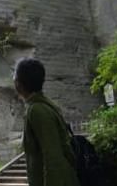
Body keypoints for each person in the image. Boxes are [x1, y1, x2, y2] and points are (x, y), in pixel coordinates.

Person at [14, 58, 80, 186]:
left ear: (19, 83)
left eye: (15, 76)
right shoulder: (43, 105)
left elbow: (53, 157)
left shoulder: (37, 110)